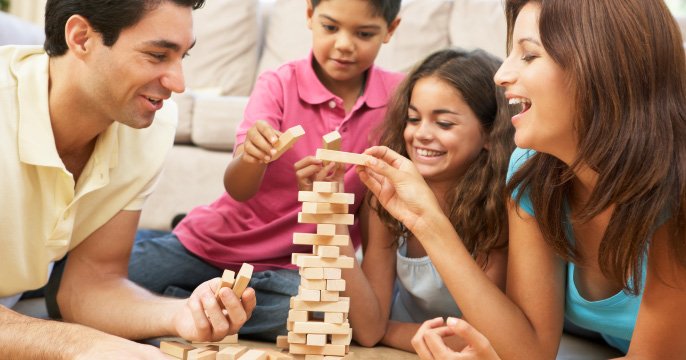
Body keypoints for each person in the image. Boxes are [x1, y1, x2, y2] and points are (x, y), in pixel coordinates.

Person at [356, 0, 686, 358]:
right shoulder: (532, 170)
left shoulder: (676, 182)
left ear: (601, 66)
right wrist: (426, 220)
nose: (501, 75)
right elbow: (529, 349)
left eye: (528, 55)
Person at [128, 0, 403, 340]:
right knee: (109, 280)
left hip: (297, 270)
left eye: (364, 33)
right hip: (216, 247)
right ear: (309, 16)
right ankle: (190, 296)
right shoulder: (279, 84)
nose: (344, 44)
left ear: (390, 30)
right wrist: (252, 158)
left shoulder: (396, 99)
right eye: (331, 27)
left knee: (320, 316)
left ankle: (185, 306)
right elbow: (238, 188)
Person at [0, 0, 256, 358]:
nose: (178, 83)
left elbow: (90, 284)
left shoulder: (148, 127)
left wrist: (180, 313)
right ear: (81, 37)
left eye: (183, 57)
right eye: (156, 55)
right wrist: (83, 345)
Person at [334, 48, 514, 352]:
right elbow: (367, 330)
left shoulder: (498, 208)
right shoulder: (385, 199)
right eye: (413, 118)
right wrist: (333, 215)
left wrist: (387, 331)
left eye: (444, 124)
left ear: (489, 134)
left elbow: (479, 336)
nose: (421, 134)